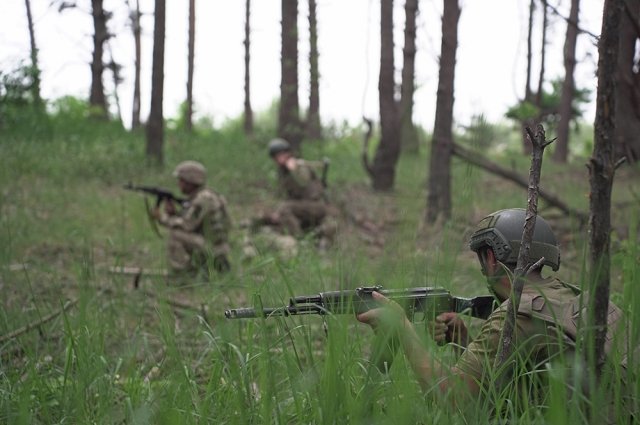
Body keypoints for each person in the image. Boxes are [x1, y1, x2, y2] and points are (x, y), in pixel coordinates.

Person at [357, 208, 632, 417]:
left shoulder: (516, 316)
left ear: (491, 258)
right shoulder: (580, 297)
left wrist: (403, 329)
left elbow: (454, 400)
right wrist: (463, 343)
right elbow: (516, 385)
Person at [152, 160, 231, 277]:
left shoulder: (202, 199)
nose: (179, 184)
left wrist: (162, 218)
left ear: (190, 182)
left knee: (176, 234)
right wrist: (174, 214)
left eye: (181, 180)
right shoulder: (208, 195)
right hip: (218, 246)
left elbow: (186, 225)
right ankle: (201, 269)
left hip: (212, 248)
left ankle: (182, 275)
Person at [255, 138, 335, 245]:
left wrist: (295, 170)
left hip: (317, 205)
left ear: (287, 153)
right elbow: (288, 195)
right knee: (279, 211)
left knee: (285, 207)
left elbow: (304, 182)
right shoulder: (284, 172)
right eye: (276, 157)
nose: (278, 159)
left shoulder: (299, 166)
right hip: (304, 206)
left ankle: (300, 240)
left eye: (280, 155)